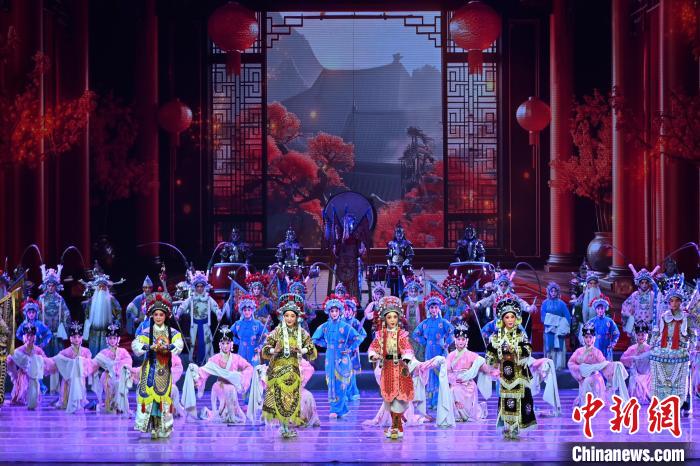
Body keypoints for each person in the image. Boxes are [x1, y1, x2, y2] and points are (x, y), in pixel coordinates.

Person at [261, 293, 317, 438]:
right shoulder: (277, 331)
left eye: (292, 316)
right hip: (279, 370)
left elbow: (311, 348)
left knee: (292, 401)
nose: (289, 319)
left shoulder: (302, 332)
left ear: (297, 317)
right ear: (282, 317)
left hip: (294, 370)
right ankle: (283, 427)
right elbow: (265, 349)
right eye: (287, 316)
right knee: (281, 400)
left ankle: (288, 426)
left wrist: (301, 350)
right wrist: (274, 350)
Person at [132, 293, 184, 439]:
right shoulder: (146, 332)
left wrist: (168, 347)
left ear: (166, 316)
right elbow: (136, 344)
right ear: (152, 316)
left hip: (164, 369)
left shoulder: (172, 332)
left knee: (162, 397)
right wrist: (149, 347)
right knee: (148, 397)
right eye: (156, 314)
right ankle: (152, 427)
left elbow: (179, 344)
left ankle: (162, 427)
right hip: (149, 368)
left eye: (161, 314)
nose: (159, 317)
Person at [485, 295, 536, 439]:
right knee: (506, 400)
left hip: (519, 372)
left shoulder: (521, 334)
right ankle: (507, 426)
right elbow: (490, 355)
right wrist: (493, 356)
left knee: (520, 399)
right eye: (507, 317)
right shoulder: (497, 335)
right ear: (502, 319)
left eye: (512, 317)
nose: (510, 320)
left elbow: (528, 349)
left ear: (516, 318)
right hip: (504, 373)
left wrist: (516, 349)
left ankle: (516, 427)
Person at [368, 296, 417, 440]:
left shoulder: (401, 334)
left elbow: (407, 349)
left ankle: (395, 428)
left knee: (399, 400)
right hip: (387, 369)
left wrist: (406, 358)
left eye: (395, 317)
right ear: (385, 319)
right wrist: (374, 355)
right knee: (389, 400)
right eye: (389, 317)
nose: (392, 320)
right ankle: (398, 428)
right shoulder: (380, 335)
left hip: (400, 369)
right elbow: (373, 348)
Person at [186, 326, 253, 424]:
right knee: (227, 394)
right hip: (220, 386)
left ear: (231, 344)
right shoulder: (215, 358)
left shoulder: (236, 358)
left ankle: (228, 413)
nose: (225, 346)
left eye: (227, 343)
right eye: (223, 343)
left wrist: (241, 375)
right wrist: (196, 375)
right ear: (219, 344)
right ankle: (224, 413)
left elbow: (249, 367)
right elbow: (205, 370)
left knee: (233, 399)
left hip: (231, 387)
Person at [649, 284, 695, 416]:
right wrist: (652, 343)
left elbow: (692, 334)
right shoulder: (664, 316)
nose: (674, 303)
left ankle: (680, 404)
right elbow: (657, 331)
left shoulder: (686, 317)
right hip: (663, 350)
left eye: (676, 300)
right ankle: (662, 403)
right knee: (660, 379)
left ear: (681, 302)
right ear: (668, 303)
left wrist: (692, 345)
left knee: (681, 380)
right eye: (671, 301)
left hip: (680, 349)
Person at [312, 296, 361, 419]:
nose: (334, 313)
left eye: (336, 311)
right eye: (332, 311)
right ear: (328, 312)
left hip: (342, 357)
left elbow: (358, 338)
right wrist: (327, 345)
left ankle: (337, 409)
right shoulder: (324, 326)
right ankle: (338, 409)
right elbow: (314, 339)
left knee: (341, 384)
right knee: (331, 384)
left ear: (340, 312)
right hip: (330, 357)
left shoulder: (345, 326)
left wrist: (349, 349)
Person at [568, 322, 629, 407]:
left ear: (594, 338)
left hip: (595, 379)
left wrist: (614, 367)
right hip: (584, 378)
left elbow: (604, 365)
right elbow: (571, 363)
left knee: (590, 384)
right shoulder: (579, 351)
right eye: (586, 337)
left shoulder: (597, 352)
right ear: (583, 338)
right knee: (586, 383)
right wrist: (580, 368)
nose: (588, 339)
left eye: (590, 337)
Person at [412, 293, 455, 409]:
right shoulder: (425, 323)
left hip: (440, 349)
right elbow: (415, 334)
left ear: (439, 308)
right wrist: (424, 342)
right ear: (429, 309)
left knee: (440, 374)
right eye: (432, 307)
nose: (434, 310)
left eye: (436, 307)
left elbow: (452, 332)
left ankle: (438, 401)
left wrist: (446, 343)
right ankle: (431, 401)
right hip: (429, 350)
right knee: (430, 373)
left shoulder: (444, 322)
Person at [446, 322, 495, 422]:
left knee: (459, 390)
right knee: (454, 390)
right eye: (458, 339)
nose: (461, 342)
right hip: (456, 383)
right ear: (455, 340)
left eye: (463, 339)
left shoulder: (472, 355)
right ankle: (457, 415)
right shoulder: (450, 356)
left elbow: (485, 368)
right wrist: (454, 379)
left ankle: (468, 413)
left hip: (468, 385)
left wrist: (492, 359)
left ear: (466, 340)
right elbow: (448, 372)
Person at [50, 321, 97, 413]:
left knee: (81, 393)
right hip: (68, 380)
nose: (76, 339)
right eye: (74, 337)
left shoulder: (86, 352)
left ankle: (80, 402)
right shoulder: (65, 352)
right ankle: (67, 402)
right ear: (70, 338)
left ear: (82, 338)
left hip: (80, 378)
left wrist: (79, 362)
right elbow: (57, 360)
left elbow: (89, 364)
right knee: (67, 396)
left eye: (79, 337)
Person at [178, 270, 221, 366]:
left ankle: (207, 361)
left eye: (202, 286)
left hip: (205, 325)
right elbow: (183, 306)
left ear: (204, 287)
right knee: (194, 343)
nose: (200, 288)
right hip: (195, 325)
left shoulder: (208, 298)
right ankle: (195, 361)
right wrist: (178, 314)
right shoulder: (191, 299)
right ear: (195, 287)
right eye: (198, 286)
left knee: (207, 342)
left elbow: (216, 308)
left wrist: (218, 315)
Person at [92, 321, 133, 414]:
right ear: (107, 339)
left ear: (118, 339)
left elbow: (128, 361)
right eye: (110, 338)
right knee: (110, 384)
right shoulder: (103, 352)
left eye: (114, 338)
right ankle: (111, 405)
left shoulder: (123, 351)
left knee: (119, 384)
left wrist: (118, 366)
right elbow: (94, 362)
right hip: (108, 376)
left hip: (120, 376)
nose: (112, 340)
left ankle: (120, 406)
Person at [7, 323, 50, 410]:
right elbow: (9, 360)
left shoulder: (38, 350)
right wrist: (14, 375)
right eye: (27, 335)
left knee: (34, 393)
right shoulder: (19, 350)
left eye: (32, 335)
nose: (29, 338)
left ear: (34, 337)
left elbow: (45, 361)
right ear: (24, 337)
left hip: (34, 377)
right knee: (21, 396)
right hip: (22, 376)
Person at [82, 273, 122, 356]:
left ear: (106, 288)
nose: (101, 289)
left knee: (106, 353)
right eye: (99, 287)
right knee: (94, 352)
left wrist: (116, 324)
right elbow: (87, 314)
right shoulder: (92, 300)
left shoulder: (111, 299)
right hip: (94, 331)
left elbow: (118, 312)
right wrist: (87, 326)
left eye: (103, 287)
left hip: (107, 331)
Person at [37, 265, 70, 357]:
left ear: (56, 286)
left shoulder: (60, 299)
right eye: (49, 285)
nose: (51, 288)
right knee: (45, 358)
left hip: (56, 333)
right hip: (44, 333)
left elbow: (66, 313)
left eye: (53, 286)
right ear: (46, 286)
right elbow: (37, 313)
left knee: (57, 358)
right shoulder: (41, 298)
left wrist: (64, 326)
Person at [540, 282, 572, 370]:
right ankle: (549, 365)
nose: (553, 293)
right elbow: (543, 317)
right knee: (549, 347)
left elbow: (567, 317)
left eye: (555, 291)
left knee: (559, 347)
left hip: (559, 330)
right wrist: (551, 324)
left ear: (558, 292)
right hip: (549, 330)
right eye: (552, 291)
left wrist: (560, 326)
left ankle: (558, 365)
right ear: (549, 292)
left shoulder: (562, 304)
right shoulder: (545, 303)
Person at [621, 265, 660, 337]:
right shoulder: (635, 295)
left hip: (650, 327)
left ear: (649, 283)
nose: (644, 285)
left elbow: (658, 309)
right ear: (639, 283)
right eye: (642, 283)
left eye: (646, 282)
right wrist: (630, 322)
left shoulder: (653, 295)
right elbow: (626, 307)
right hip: (637, 327)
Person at [341, 296, 367, 401]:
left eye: (349, 310)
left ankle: (353, 392)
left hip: (352, 350)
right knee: (342, 372)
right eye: (345, 310)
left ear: (353, 311)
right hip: (342, 350)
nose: (347, 312)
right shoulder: (339, 321)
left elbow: (363, 334)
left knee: (351, 372)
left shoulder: (355, 322)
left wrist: (356, 342)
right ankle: (343, 393)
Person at [231, 294, 267, 366]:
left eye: (249, 310)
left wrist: (260, 347)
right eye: (245, 310)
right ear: (242, 311)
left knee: (254, 371)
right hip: (241, 352)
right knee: (242, 370)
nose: (247, 312)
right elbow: (229, 334)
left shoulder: (257, 324)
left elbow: (266, 335)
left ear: (252, 311)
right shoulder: (237, 324)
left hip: (253, 353)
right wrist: (237, 342)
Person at [620, 322, 652, 403]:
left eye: (643, 335)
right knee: (635, 379)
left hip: (648, 375)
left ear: (647, 335)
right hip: (635, 374)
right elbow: (622, 359)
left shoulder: (650, 349)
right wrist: (633, 358)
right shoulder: (632, 348)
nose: (641, 337)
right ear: (636, 335)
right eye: (639, 335)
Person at [585, 296, 620, 361]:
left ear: (605, 309)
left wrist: (613, 343)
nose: (600, 310)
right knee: (596, 364)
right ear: (595, 310)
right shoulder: (591, 321)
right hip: (595, 346)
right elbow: (585, 334)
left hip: (606, 347)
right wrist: (588, 343)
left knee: (607, 364)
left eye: (602, 308)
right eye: (598, 309)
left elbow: (616, 333)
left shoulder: (609, 321)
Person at [385, 223, 414, 297]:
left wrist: (404, 263)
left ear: (403, 234)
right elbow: (388, 256)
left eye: (400, 234)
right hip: (393, 266)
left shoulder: (407, 243)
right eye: (397, 234)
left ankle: (403, 296)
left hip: (403, 266)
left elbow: (410, 256)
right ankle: (393, 297)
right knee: (392, 283)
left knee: (404, 284)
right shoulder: (391, 244)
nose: (399, 235)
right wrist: (390, 264)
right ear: (395, 234)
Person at [402, 278, 426, 360]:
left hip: (418, 324)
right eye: (411, 291)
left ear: (417, 292)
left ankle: (419, 358)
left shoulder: (421, 302)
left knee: (418, 340)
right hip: (408, 324)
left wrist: (423, 325)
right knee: (409, 341)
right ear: (408, 292)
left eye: (415, 291)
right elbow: (402, 315)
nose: (413, 293)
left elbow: (424, 315)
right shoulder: (405, 302)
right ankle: (410, 359)